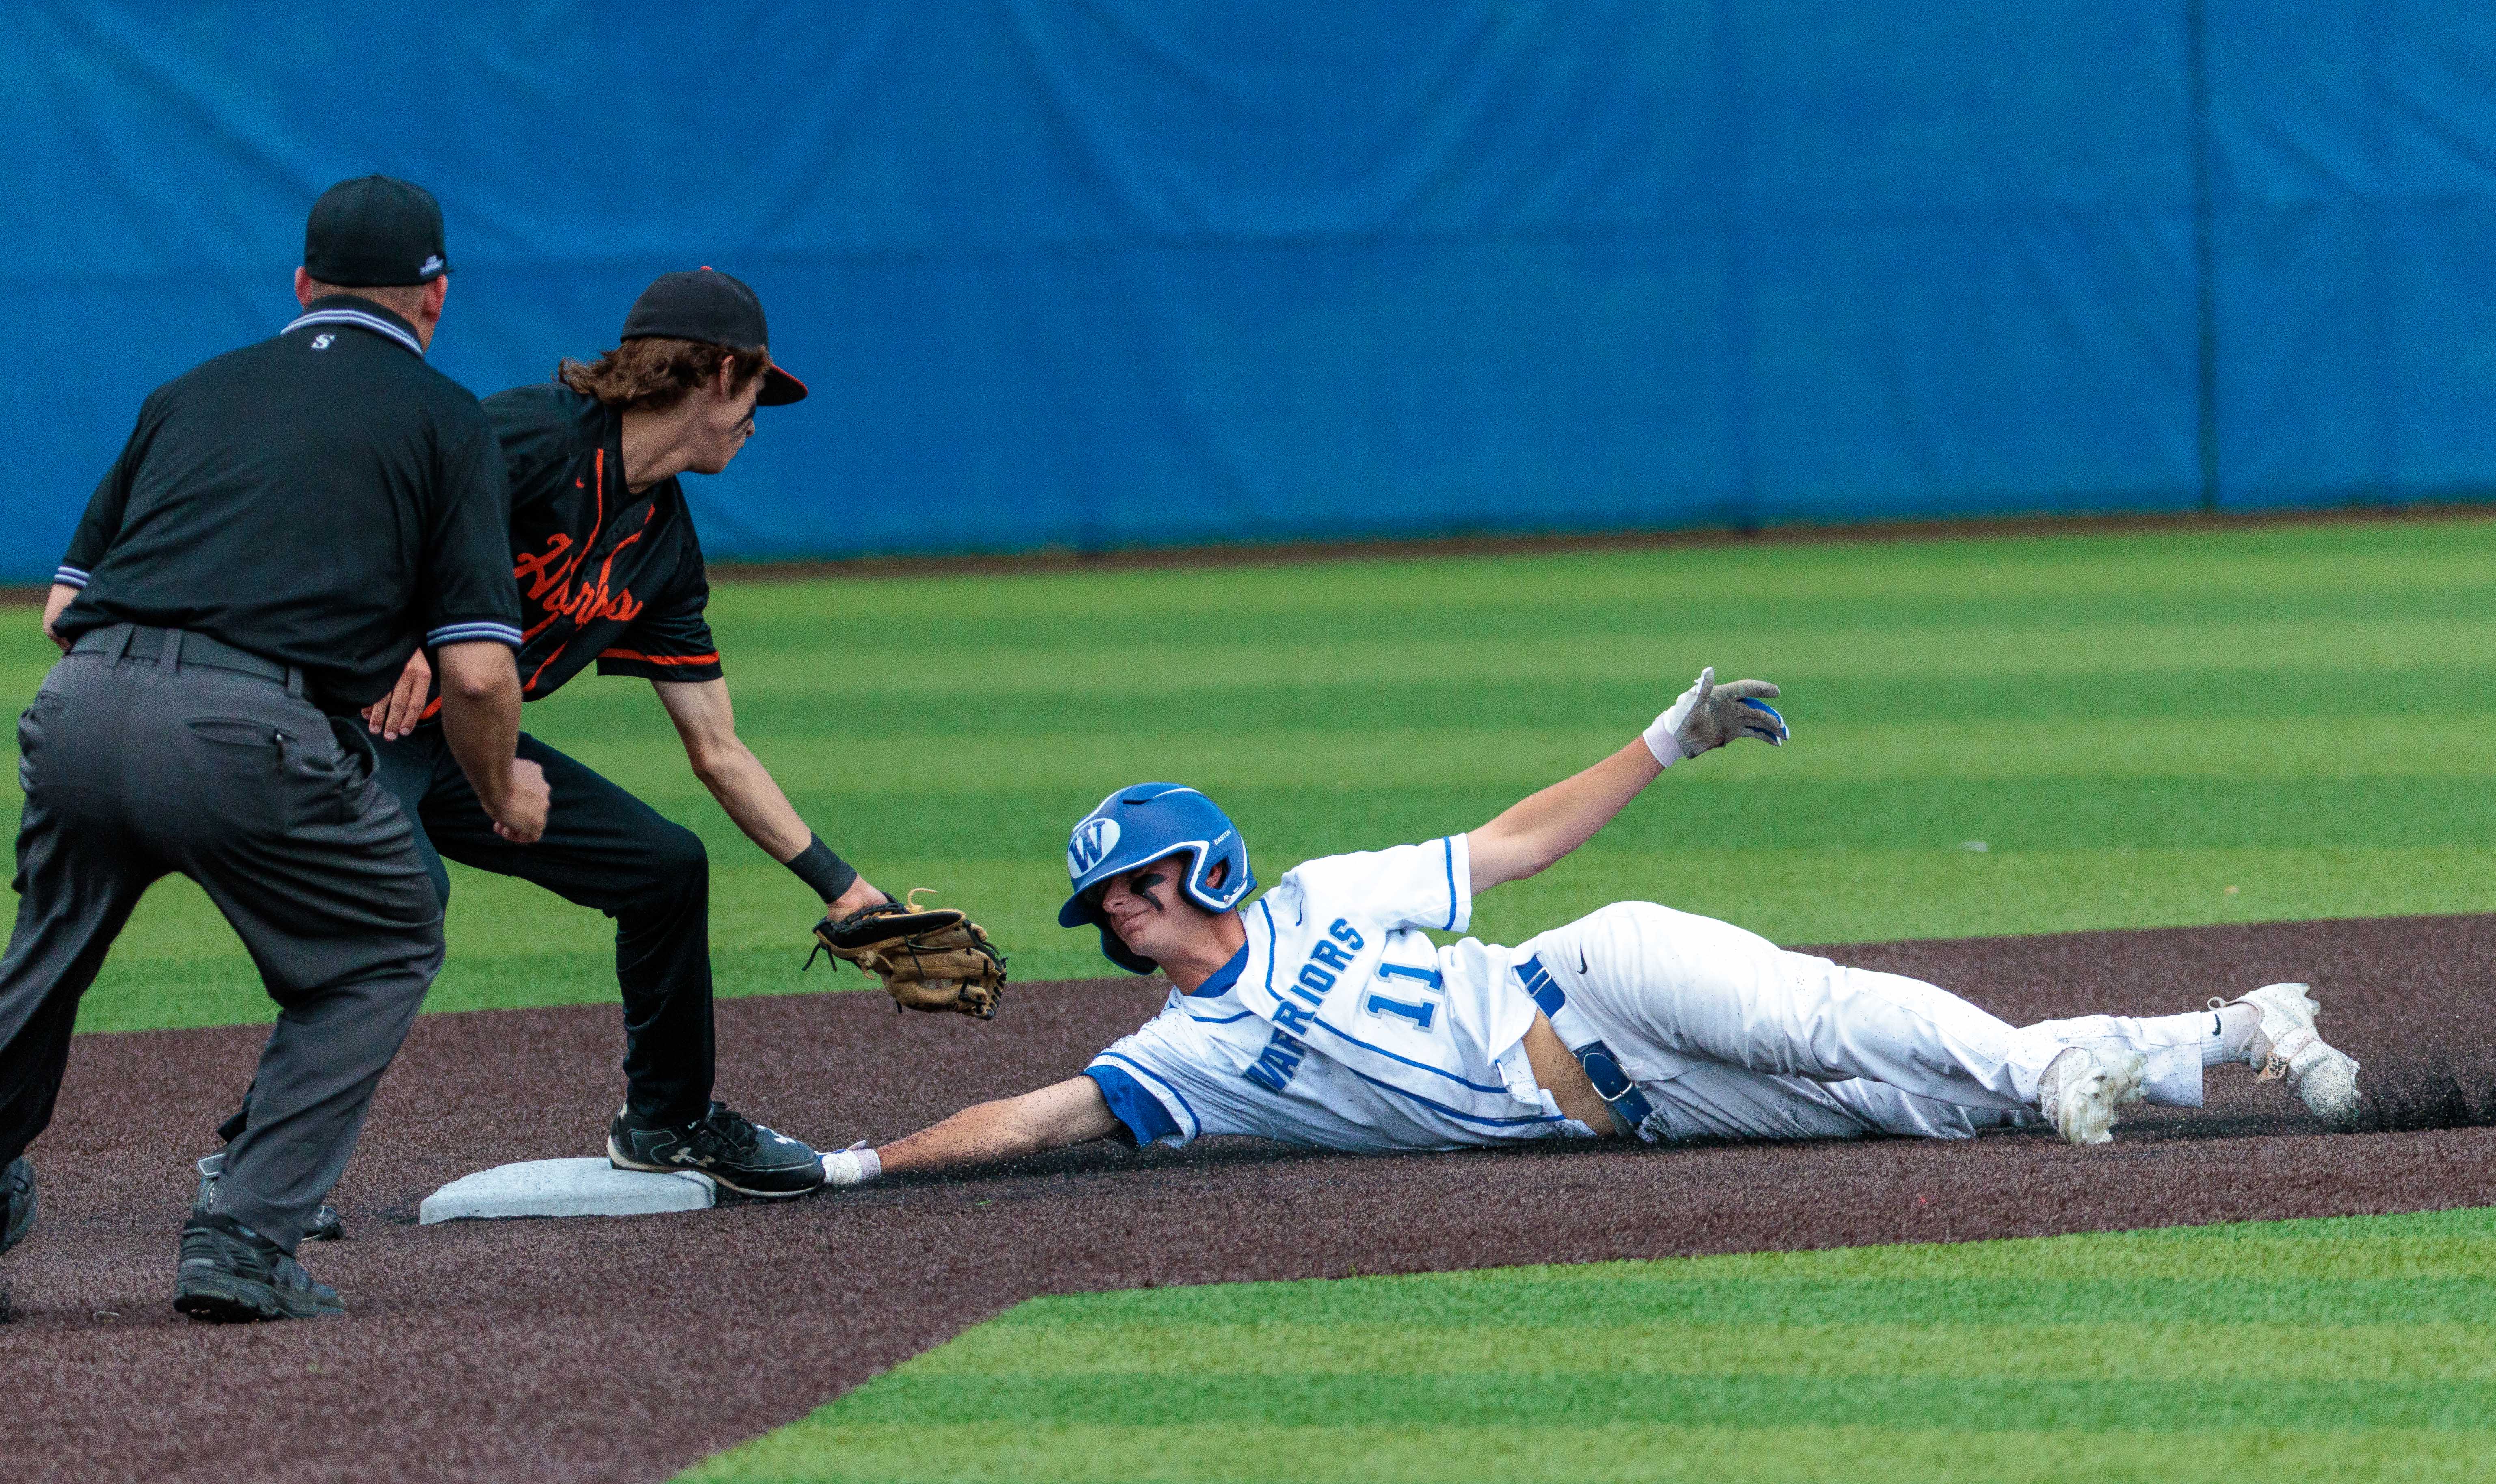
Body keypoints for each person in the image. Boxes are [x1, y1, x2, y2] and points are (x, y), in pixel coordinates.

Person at [812, 670, 2363, 1189]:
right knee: (1906, 1106)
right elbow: (1038, 1110)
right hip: (1632, 1112)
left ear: (1203, 871)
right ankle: (2235, 1026)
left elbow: (1514, 841)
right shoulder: (1186, 1056)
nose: (1126, 913)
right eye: (1109, 904)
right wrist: (857, 1162)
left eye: (1140, 882)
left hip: (1594, 972)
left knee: (1825, 1016)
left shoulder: (1324, 894)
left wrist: (1661, 741)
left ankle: (2058, 1070)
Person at [214, 269, 891, 1201]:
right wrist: (409, 630)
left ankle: (667, 1121)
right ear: (720, 372)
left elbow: (718, 749)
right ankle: (258, 1159)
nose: (756, 419)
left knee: (662, 869)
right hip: (344, 719)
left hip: (463, 743)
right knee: (400, 896)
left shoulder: (663, 548)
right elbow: (372, 506)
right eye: (757, 393)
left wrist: (849, 891)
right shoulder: (536, 434)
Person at [6, 175, 544, 1320]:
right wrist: (504, 792)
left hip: (82, 707)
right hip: (248, 732)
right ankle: (244, 1238)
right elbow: (482, 673)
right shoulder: (445, 417)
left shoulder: (189, 391)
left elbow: (60, 612)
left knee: (47, 954)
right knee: (385, 937)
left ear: (301, 286)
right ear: (435, 297)